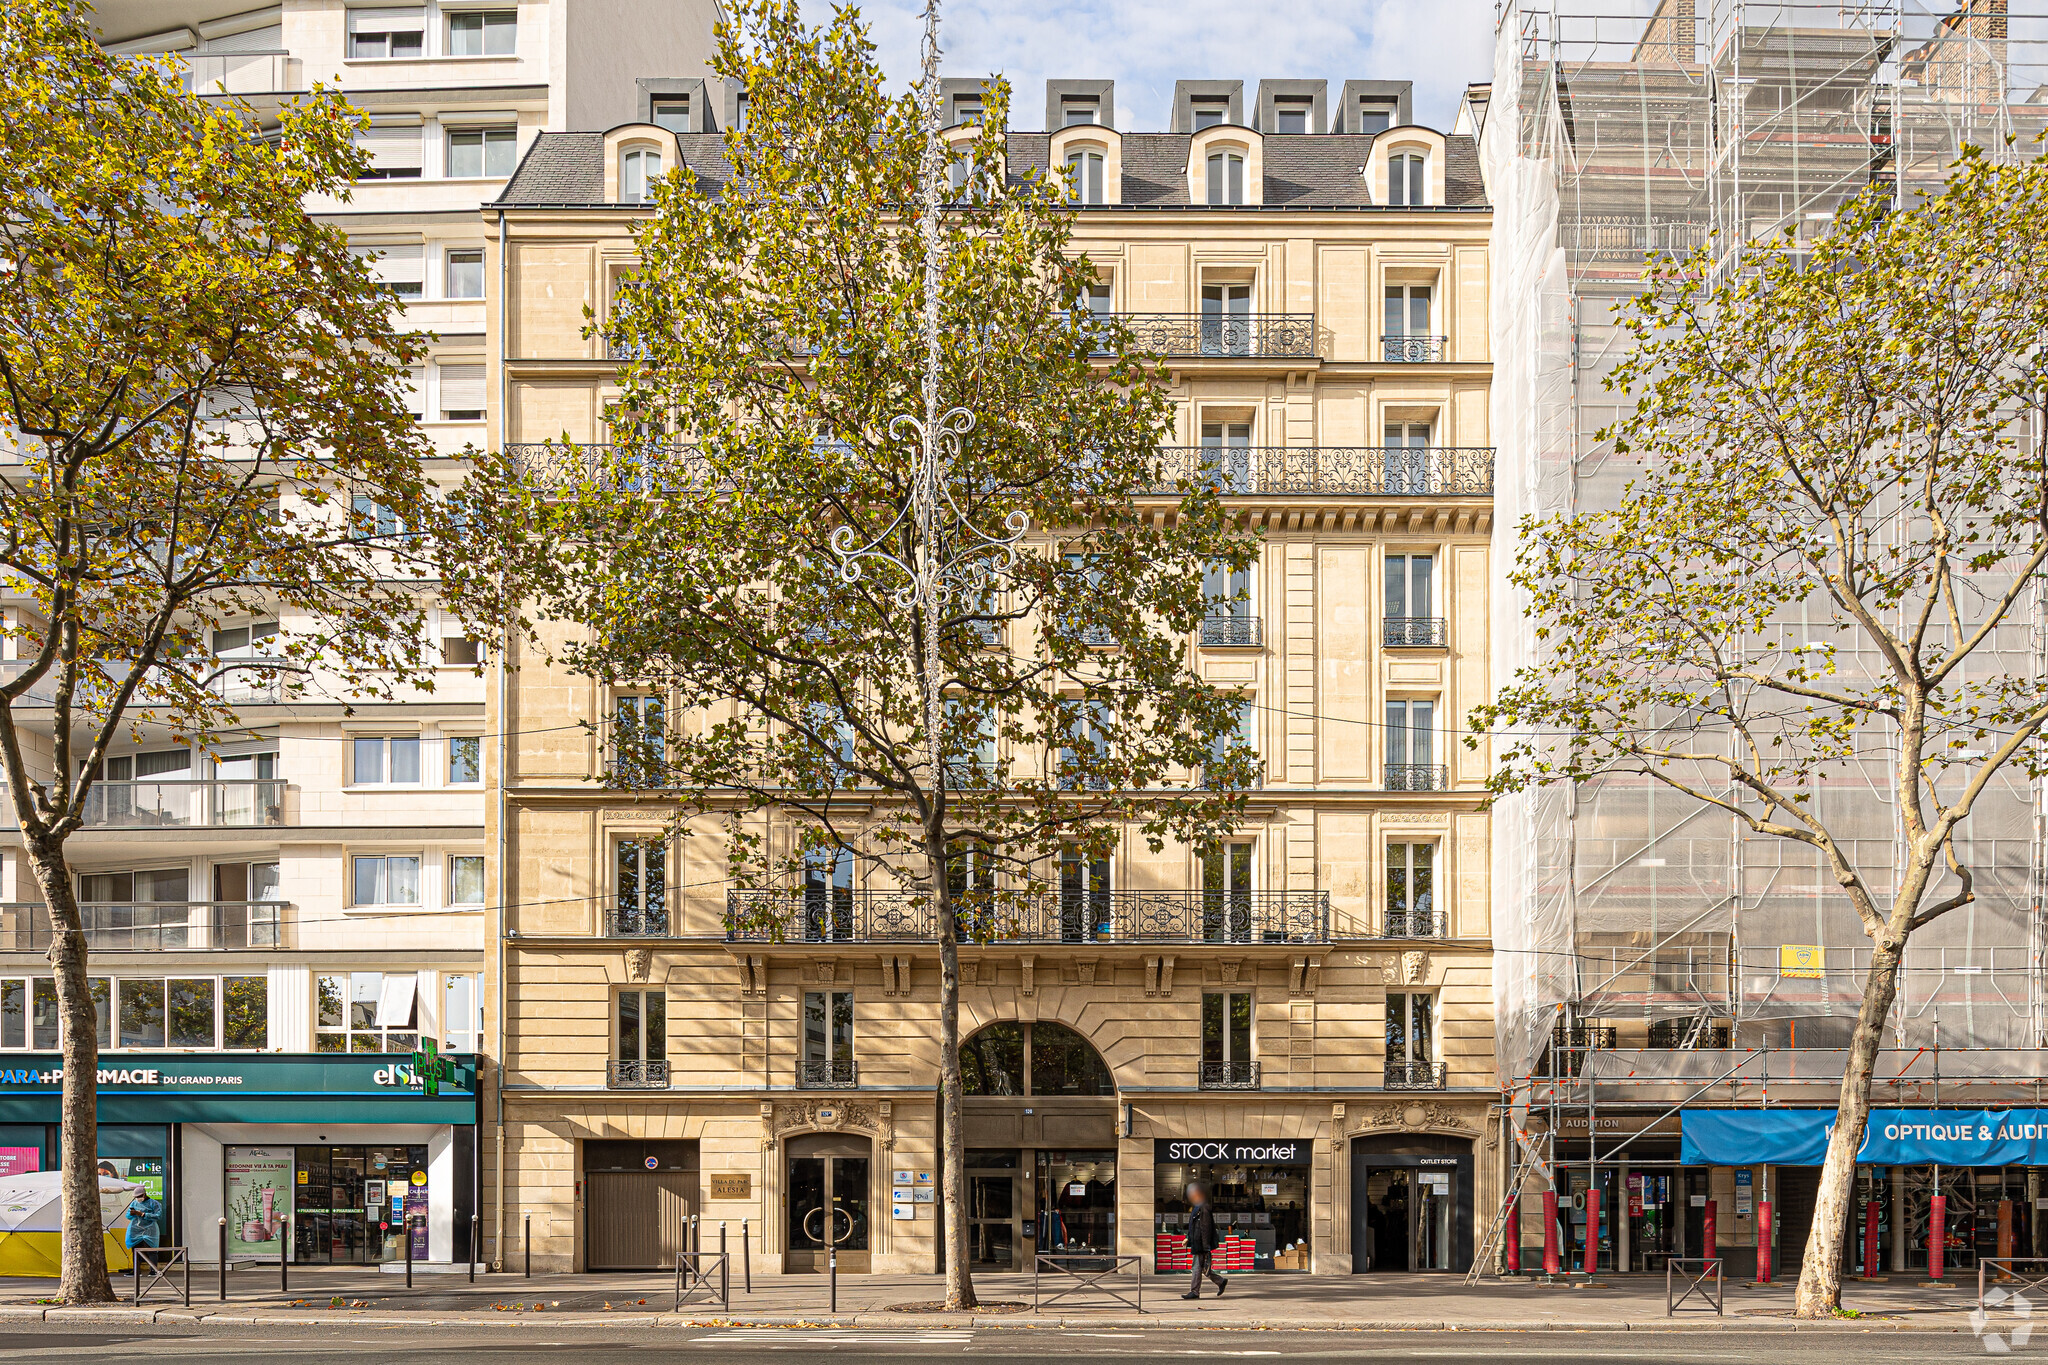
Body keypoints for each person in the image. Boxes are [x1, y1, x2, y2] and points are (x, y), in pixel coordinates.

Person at [1181, 1182, 1228, 1299]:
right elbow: (1194, 1225)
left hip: (1201, 1243)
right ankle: (1220, 1281)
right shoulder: (1197, 1207)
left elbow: (1206, 1227)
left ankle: (1195, 1292)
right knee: (1202, 1268)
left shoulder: (1204, 1207)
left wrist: (1206, 1246)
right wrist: (1188, 1237)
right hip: (1197, 1241)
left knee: (1197, 1267)